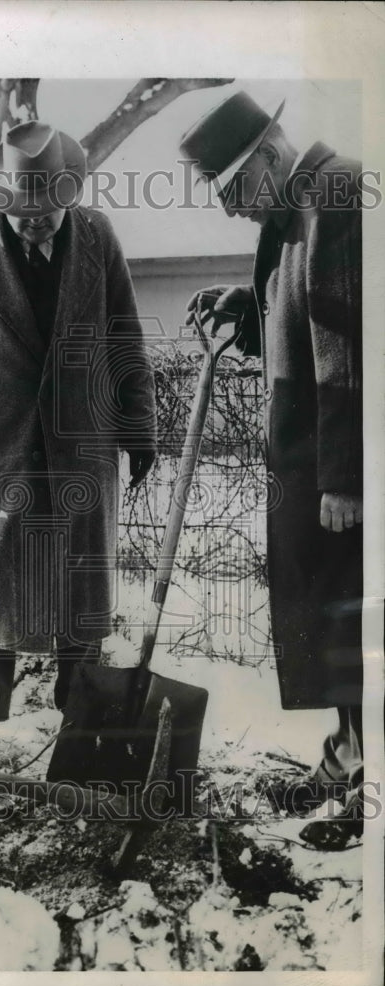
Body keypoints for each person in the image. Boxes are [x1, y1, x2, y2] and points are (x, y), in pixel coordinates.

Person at [181, 91, 363, 848]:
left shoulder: (337, 198)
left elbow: (349, 347)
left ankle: (364, 785)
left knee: (355, 624)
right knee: (326, 622)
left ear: (265, 155)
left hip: (334, 468)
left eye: (230, 192)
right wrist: (246, 305)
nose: (230, 212)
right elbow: (295, 322)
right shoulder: (294, 210)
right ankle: (349, 753)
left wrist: (344, 478)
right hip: (304, 460)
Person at [0, 121, 157, 721]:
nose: (34, 221)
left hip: (81, 444)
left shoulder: (97, 236)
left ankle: (79, 722)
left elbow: (125, 336)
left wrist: (138, 428)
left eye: (47, 210)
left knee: (80, 592)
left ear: (70, 197)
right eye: (20, 210)